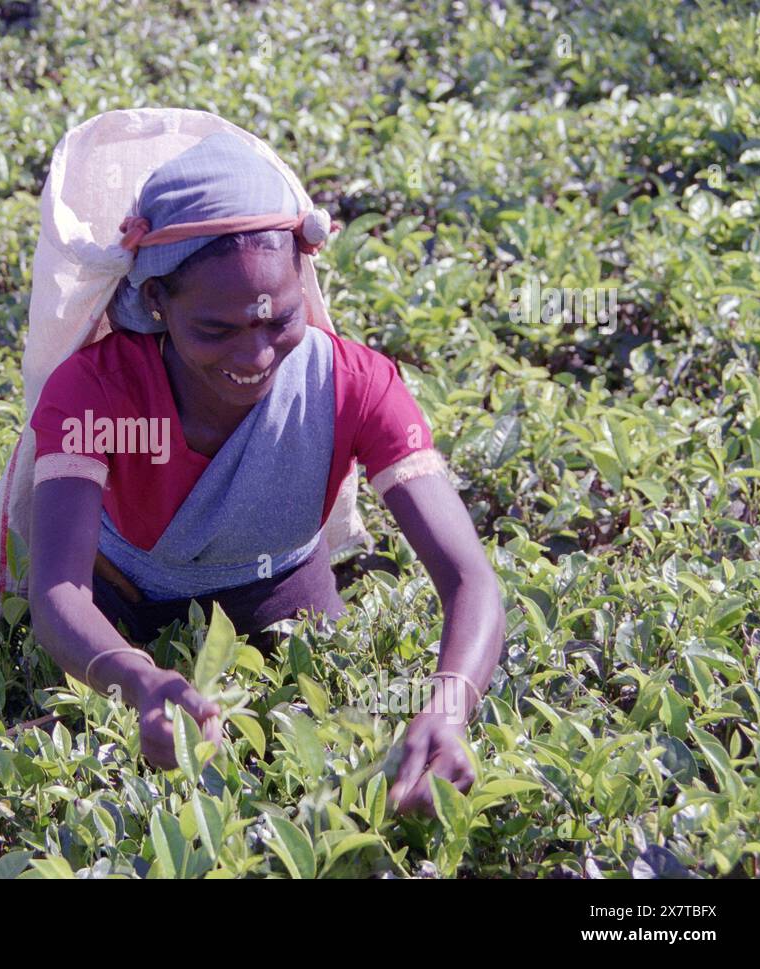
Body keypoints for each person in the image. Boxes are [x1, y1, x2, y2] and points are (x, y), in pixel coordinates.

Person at [26, 131, 505, 817]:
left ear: (300, 281)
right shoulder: (97, 389)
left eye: (278, 319)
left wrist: (451, 706)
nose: (255, 355)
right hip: (123, 600)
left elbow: (469, 577)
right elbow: (59, 590)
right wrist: (136, 678)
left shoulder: (353, 384)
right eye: (216, 329)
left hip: (281, 594)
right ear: (156, 300)